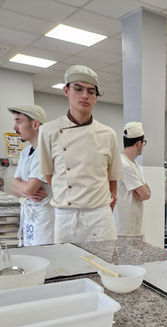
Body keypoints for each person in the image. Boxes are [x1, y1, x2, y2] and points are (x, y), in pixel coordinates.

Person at [38, 65, 122, 243]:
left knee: (106, 260)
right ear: (66, 90)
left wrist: (106, 205)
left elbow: (112, 178)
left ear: (96, 97)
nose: (85, 95)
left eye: (91, 91)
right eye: (78, 89)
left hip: (100, 216)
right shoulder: (48, 131)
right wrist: (68, 196)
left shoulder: (108, 134)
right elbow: (48, 173)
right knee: (66, 260)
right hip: (66, 216)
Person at [8, 105, 54, 246]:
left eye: (19, 121)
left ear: (35, 124)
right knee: (29, 253)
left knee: (43, 255)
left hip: (44, 219)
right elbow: (13, 186)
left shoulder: (45, 151)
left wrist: (24, 189)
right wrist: (25, 192)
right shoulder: (25, 152)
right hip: (30, 216)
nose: (15, 127)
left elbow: (30, 188)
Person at [113, 122, 151, 236]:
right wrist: (142, 192)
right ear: (139, 143)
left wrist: (142, 191)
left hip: (134, 228)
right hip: (124, 230)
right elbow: (145, 194)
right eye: (143, 143)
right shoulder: (123, 164)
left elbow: (147, 193)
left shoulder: (134, 164)